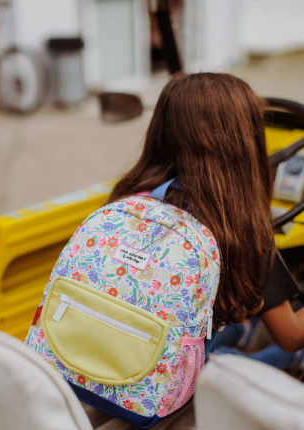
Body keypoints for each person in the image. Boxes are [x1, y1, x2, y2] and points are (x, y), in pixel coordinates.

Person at [107, 72, 304, 368]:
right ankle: (249, 341)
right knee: (268, 354)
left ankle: (240, 328)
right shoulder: (242, 235)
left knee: (227, 324)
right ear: (245, 143)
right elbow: (291, 334)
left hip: (116, 344)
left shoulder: (128, 200)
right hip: (161, 376)